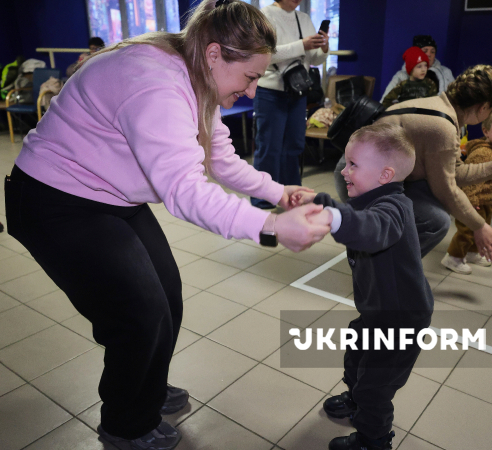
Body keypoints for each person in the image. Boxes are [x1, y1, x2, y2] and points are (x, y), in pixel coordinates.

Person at [4, 1, 330, 449]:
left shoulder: (198, 73)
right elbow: (185, 191)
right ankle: (125, 424)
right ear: (215, 54)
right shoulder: (155, 82)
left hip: (112, 195)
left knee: (166, 296)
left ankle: (147, 389)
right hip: (55, 201)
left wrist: (279, 193)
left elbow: (220, 158)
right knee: (138, 314)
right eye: (250, 77)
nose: (252, 90)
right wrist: (271, 226)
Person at [292, 122, 433, 450]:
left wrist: (332, 217)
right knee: (356, 355)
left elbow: (372, 227)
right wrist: (320, 202)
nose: (344, 171)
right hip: (377, 311)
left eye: (353, 164)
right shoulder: (372, 197)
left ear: (385, 175)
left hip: (400, 320)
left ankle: (374, 439)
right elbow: (353, 212)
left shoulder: (393, 208)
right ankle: (356, 398)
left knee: (376, 387)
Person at [334, 65, 492, 262]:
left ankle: (377, 253)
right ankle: (382, 268)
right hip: (357, 180)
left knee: (435, 202)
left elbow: (455, 173)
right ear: (484, 107)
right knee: (436, 221)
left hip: (363, 172)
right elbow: (447, 190)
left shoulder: (438, 105)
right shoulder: (442, 127)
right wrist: (480, 226)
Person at [251, 0, 329, 209]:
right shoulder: (264, 15)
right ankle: (263, 198)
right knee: (269, 146)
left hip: (297, 90)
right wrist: (302, 45)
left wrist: (323, 47)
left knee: (294, 145)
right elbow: (264, 54)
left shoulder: (303, 18)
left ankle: (293, 194)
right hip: (270, 91)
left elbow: (315, 59)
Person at [442, 106, 492, 274]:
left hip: (488, 201)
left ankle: (471, 252)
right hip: (474, 202)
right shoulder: (483, 153)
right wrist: (471, 201)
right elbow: (470, 180)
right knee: (468, 231)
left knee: (483, 229)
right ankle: (453, 257)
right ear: (486, 131)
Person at [381, 35, 454, 103]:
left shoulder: (446, 72)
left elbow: (454, 97)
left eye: (432, 52)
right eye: (425, 51)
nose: (429, 54)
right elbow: (385, 101)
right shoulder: (402, 75)